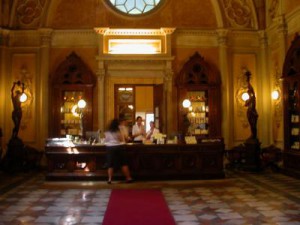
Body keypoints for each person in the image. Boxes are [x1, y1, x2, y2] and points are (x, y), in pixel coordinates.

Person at [104, 119, 133, 184]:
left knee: (110, 164)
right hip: (120, 147)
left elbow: (106, 140)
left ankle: (109, 179)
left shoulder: (107, 131)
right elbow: (121, 139)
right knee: (123, 163)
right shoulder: (119, 130)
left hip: (110, 148)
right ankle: (128, 178)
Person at [244, 70, 258, 139]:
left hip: (252, 112)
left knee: (253, 125)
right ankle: (253, 135)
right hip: (250, 111)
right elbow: (246, 104)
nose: (248, 93)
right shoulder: (250, 99)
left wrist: (248, 79)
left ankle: (254, 136)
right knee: (251, 124)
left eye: (248, 92)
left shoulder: (252, 98)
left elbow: (250, 88)